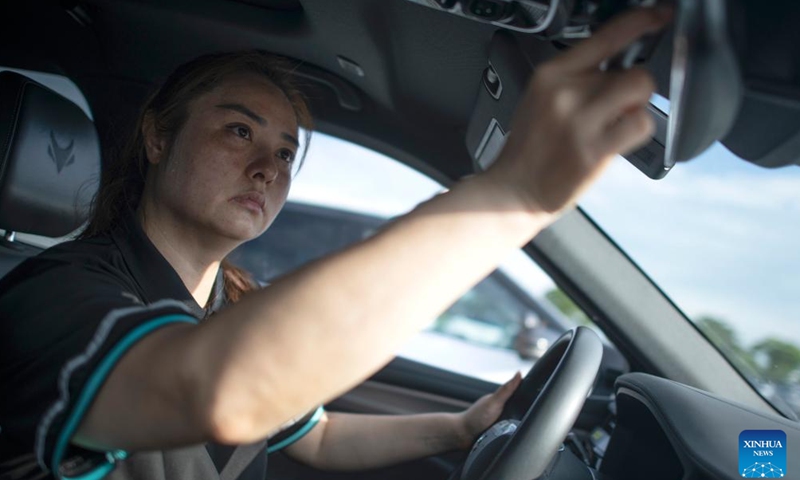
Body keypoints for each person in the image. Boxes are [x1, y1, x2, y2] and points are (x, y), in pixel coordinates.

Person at [0, 6, 670, 480]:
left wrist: (463, 428)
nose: (268, 167)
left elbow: (316, 437)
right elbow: (217, 390)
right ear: (156, 137)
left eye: (285, 152)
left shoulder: (229, 306)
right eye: (238, 132)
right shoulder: (58, 298)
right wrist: (513, 195)